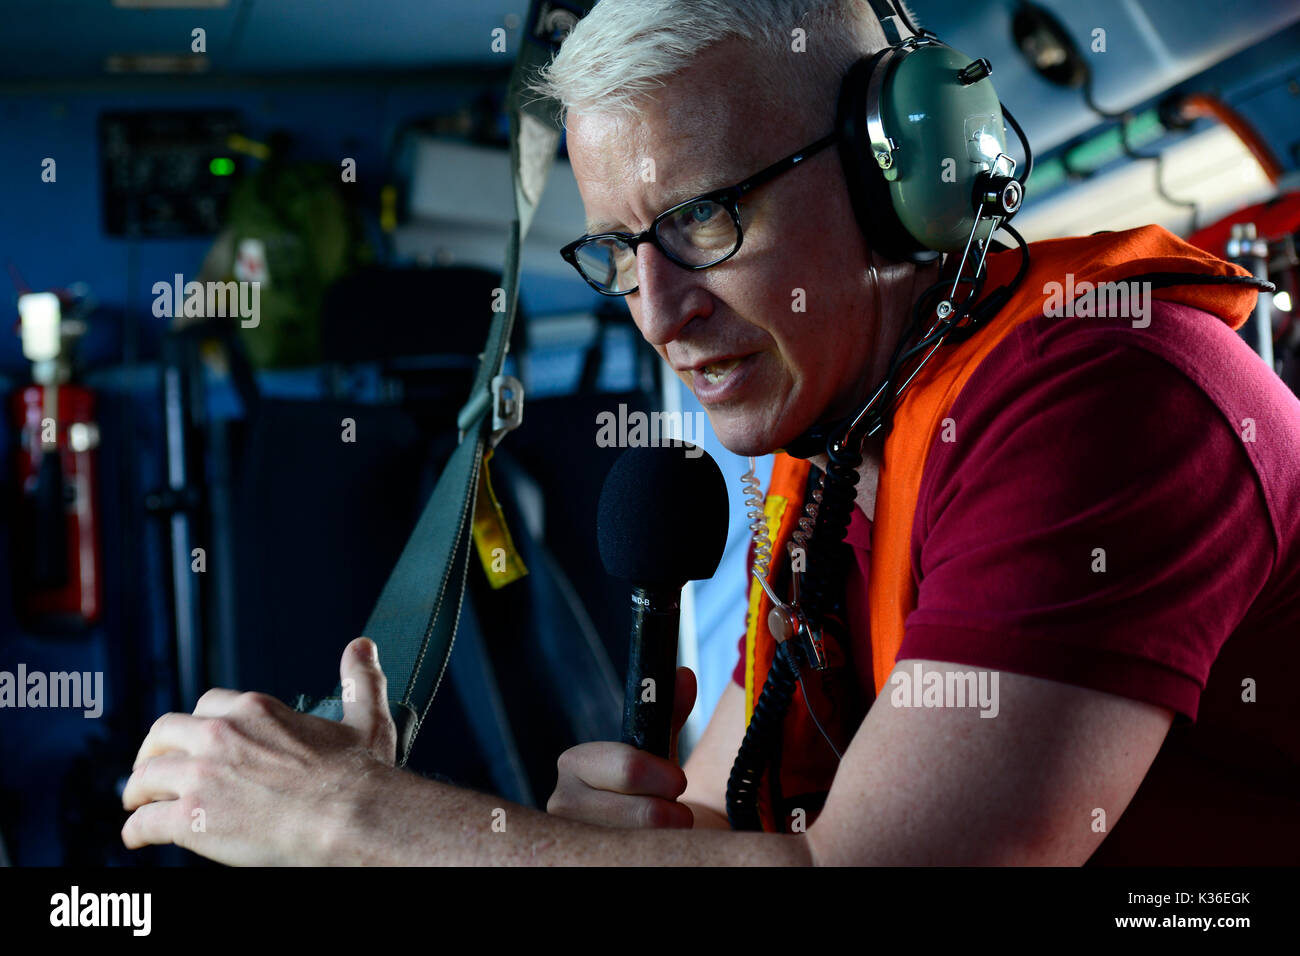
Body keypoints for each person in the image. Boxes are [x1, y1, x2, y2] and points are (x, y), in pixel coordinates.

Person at [121, 0, 1300, 865]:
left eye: (701, 217)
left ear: (896, 170)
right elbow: (735, 807)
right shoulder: (835, 440)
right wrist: (630, 830)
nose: (659, 312)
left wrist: (349, 817)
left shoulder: (1109, 399)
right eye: (617, 252)